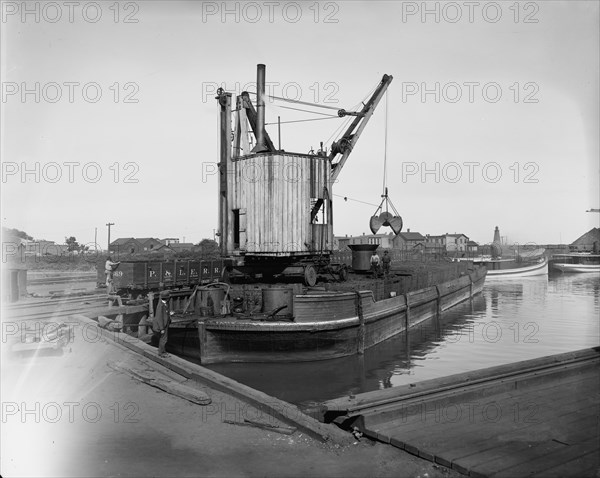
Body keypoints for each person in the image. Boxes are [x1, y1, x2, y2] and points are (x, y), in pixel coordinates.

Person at [153, 291, 172, 357]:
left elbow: (164, 314)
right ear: (167, 298)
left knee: (164, 338)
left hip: (165, 323)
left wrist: (169, 314)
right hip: (162, 325)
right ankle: (161, 353)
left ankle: (163, 351)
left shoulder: (165, 303)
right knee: (163, 339)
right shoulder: (161, 305)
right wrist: (162, 328)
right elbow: (159, 317)